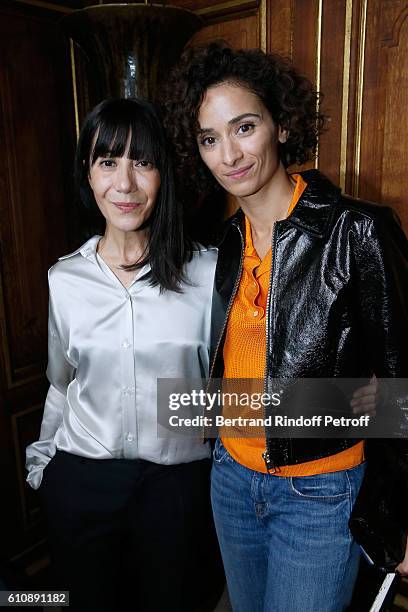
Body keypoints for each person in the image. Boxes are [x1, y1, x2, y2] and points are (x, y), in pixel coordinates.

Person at [163, 42, 408, 611]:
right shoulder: (228, 243)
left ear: (280, 123)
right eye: (209, 138)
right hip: (230, 480)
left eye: (244, 126)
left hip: (320, 492)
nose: (229, 153)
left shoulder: (357, 232)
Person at [25, 98, 224, 612]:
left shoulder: (210, 275)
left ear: (165, 174)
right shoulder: (64, 278)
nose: (126, 184)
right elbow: (61, 383)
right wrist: (44, 468)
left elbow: (231, 392)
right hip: (83, 483)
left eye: (144, 162)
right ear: (88, 176)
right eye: (108, 162)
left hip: (179, 488)